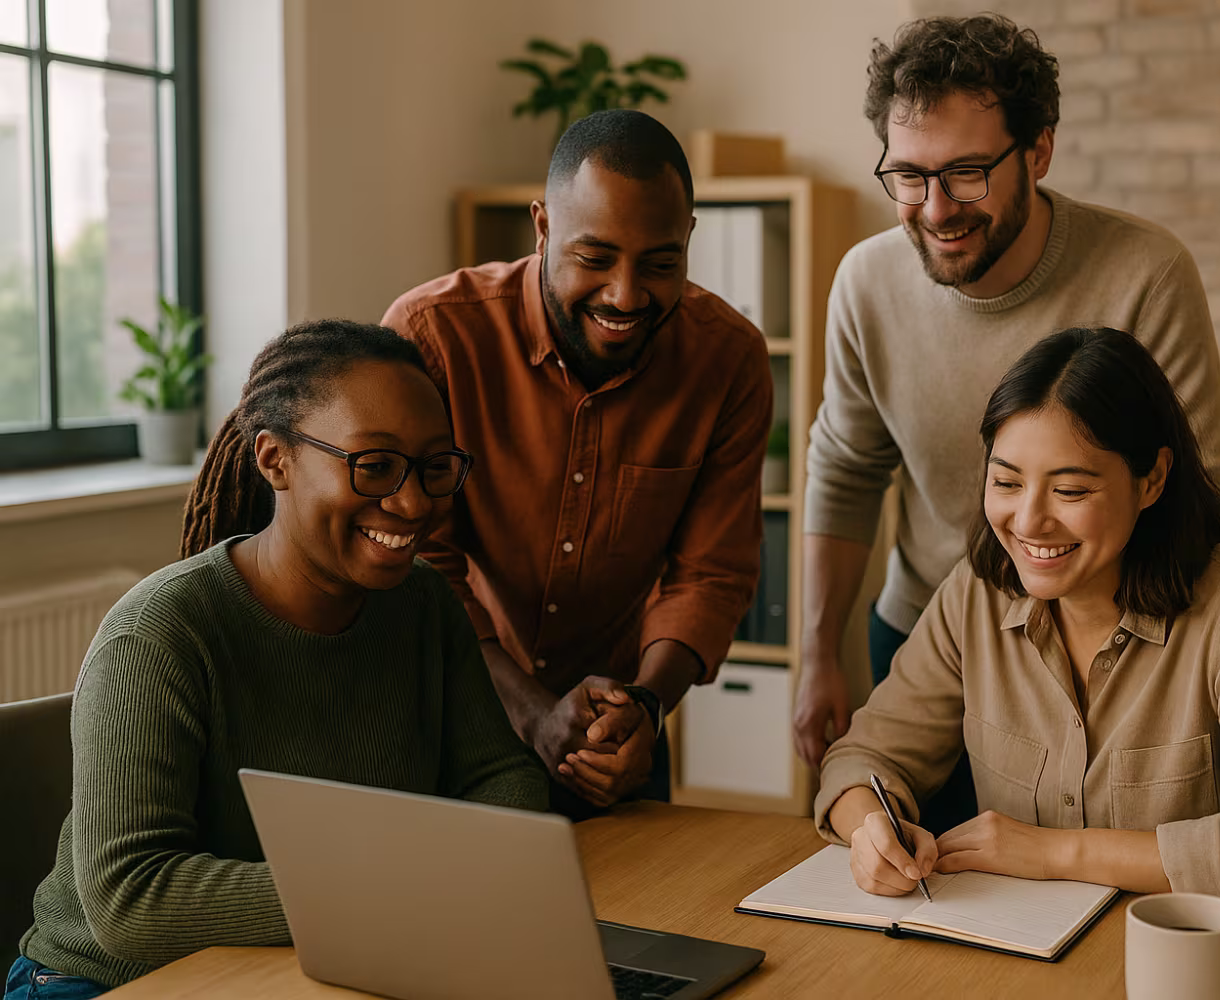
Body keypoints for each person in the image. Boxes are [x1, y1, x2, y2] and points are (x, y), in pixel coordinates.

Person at [6, 321, 548, 999]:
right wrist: (402, 882)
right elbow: (132, 900)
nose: (413, 503)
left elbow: (500, 773)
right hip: (109, 983)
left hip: (323, 958)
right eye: (373, 465)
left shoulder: (423, 604)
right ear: (274, 459)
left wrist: (435, 877)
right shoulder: (160, 635)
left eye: (434, 467)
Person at [794, 14, 1220, 796]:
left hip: (1104, 653)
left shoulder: (1146, 272)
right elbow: (845, 472)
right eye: (908, 176)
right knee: (910, 881)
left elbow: (1205, 500)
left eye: (968, 173)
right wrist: (818, 653)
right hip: (922, 642)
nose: (935, 209)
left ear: (1038, 151)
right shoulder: (865, 283)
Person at [816, 328, 1220, 914]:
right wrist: (871, 827)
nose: (1029, 521)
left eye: (1069, 489)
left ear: (1152, 481)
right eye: (1006, 482)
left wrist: (1052, 853)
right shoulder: (975, 594)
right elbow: (861, 758)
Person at [382, 110, 772, 816]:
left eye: (660, 265)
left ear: (688, 239)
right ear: (542, 228)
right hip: (457, 716)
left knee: (636, 926)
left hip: (615, 739)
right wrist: (531, 713)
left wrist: (645, 708)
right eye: (594, 259)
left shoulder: (730, 360)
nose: (626, 296)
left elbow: (711, 573)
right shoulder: (432, 336)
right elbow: (416, 560)